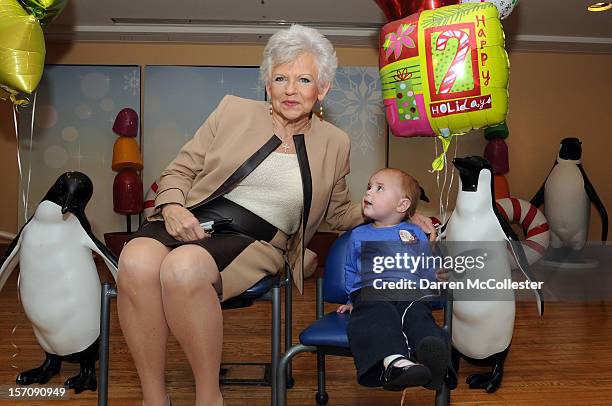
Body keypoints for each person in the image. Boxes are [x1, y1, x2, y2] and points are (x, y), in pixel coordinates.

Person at [117, 25, 436, 406]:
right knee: (134, 261)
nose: (290, 89)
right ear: (267, 84)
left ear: (323, 89)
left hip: (257, 238)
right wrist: (170, 206)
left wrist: (407, 215)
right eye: (280, 78)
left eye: (303, 79)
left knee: (182, 269)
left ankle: (208, 398)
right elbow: (179, 171)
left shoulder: (335, 142)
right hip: (195, 215)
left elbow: (338, 212)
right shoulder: (231, 110)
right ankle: (154, 398)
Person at [337, 168, 448, 391]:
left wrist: (433, 282)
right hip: (371, 290)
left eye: (379, 188)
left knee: (416, 312)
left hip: (409, 289)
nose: (369, 192)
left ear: (402, 206)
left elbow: (425, 266)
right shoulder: (358, 234)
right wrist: (352, 299)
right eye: (369, 187)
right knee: (378, 312)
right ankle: (395, 364)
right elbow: (351, 269)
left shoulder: (415, 234)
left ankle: (434, 359)